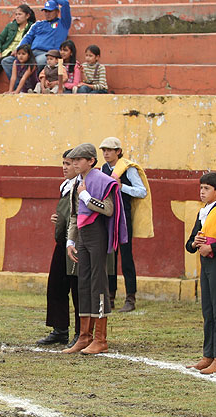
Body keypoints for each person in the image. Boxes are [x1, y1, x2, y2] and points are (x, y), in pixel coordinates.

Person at [63, 143, 127, 355]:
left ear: (91, 160)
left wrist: (86, 197)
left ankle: (100, 339)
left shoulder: (102, 181)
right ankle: (84, 336)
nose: (74, 164)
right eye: (73, 161)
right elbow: (74, 215)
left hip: (98, 234)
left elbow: (108, 209)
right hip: (82, 236)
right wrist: (70, 242)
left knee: (98, 283)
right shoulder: (77, 182)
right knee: (83, 283)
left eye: (78, 160)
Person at [185, 172, 216, 375]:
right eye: (201, 188)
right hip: (205, 263)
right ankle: (209, 355)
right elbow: (190, 244)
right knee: (208, 309)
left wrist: (212, 249)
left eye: (206, 188)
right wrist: (195, 244)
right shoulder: (202, 212)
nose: (202, 192)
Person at [100, 137, 153, 312]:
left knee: (126, 257)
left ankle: (131, 297)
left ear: (118, 152)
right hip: (108, 216)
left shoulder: (128, 169)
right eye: (104, 150)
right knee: (110, 257)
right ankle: (111, 296)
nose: (106, 153)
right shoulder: (104, 169)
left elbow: (142, 191)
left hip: (123, 217)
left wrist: (122, 187)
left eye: (109, 150)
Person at [37, 150, 80, 346]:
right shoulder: (65, 186)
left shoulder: (82, 185)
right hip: (63, 241)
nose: (65, 167)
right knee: (56, 284)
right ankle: (60, 328)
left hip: (77, 242)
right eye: (63, 163)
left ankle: (82, 332)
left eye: (69, 164)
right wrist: (58, 219)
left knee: (78, 289)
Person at [19, 0, 71, 74]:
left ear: (57, 12)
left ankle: (28, 83)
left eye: (50, 11)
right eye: (45, 11)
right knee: (7, 61)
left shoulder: (63, 23)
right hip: (32, 52)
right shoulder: (38, 24)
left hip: (48, 53)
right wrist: (19, 49)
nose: (47, 14)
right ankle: (19, 83)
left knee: (37, 62)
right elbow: (27, 38)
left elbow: (65, 3)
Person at [0, 4, 36, 81]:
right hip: (4, 52)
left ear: (27, 16)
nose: (17, 16)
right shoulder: (10, 26)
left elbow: (31, 43)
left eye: (20, 14)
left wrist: (19, 51)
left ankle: (16, 86)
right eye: (16, 14)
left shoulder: (32, 27)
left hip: (17, 53)